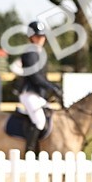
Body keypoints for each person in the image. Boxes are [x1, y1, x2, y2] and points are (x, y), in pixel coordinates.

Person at [13, 21, 62, 155]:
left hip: (38, 95)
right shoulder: (30, 53)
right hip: (29, 93)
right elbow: (35, 77)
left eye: (42, 36)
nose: (41, 39)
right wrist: (51, 87)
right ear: (31, 37)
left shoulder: (40, 53)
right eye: (38, 36)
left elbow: (42, 77)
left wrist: (54, 86)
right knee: (40, 121)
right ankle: (29, 152)